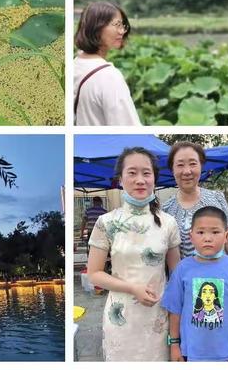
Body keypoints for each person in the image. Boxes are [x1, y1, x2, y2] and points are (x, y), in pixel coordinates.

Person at [87, 147, 181, 361]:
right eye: (132, 172)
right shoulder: (107, 222)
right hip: (121, 318)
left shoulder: (168, 223)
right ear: (120, 179)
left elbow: (177, 273)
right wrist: (132, 288)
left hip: (158, 317)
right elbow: (94, 274)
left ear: (154, 179)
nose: (140, 180)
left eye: (146, 173)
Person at [161, 206, 228, 362]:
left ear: (226, 236)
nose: (207, 238)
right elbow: (174, 310)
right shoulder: (182, 269)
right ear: (191, 236)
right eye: (201, 232)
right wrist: (174, 344)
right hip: (191, 353)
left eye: (215, 232)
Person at [162, 141, 228, 259]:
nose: (187, 171)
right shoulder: (166, 209)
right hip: (186, 276)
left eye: (193, 164)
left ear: (201, 166)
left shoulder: (216, 199)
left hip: (220, 273)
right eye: (180, 165)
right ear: (172, 170)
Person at [74, 1, 141, 126]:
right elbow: (127, 127)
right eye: (117, 25)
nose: (122, 31)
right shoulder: (109, 77)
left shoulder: (75, 64)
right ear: (96, 27)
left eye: (123, 25)